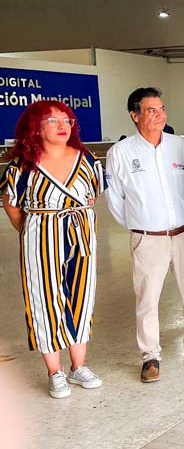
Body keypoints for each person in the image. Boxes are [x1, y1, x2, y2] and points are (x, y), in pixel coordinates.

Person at [106, 87, 184, 383]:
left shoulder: (179, 146)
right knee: (147, 299)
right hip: (148, 238)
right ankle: (150, 356)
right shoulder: (121, 152)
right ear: (135, 115)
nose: (160, 115)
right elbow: (114, 198)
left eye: (162, 109)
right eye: (151, 110)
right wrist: (140, 224)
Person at [0, 100, 105, 398]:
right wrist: (33, 232)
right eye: (52, 120)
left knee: (82, 294)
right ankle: (54, 371)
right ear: (35, 127)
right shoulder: (23, 164)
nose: (62, 125)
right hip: (40, 233)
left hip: (81, 233)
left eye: (67, 120)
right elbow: (11, 204)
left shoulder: (86, 158)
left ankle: (78, 366)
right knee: (44, 298)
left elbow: (93, 194)